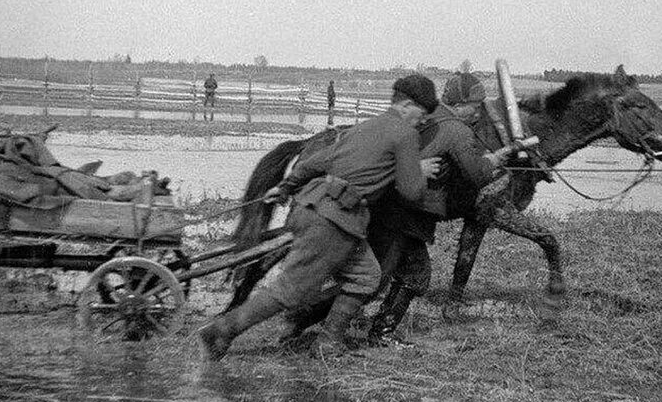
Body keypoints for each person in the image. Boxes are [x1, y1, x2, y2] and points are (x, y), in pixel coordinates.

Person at [199, 74, 442, 361]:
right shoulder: (405, 134)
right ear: (406, 105)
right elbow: (412, 192)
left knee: (367, 277)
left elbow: (318, 161)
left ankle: (328, 343)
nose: (424, 120)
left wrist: (285, 187)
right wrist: (417, 170)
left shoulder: (365, 127)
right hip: (333, 221)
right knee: (291, 291)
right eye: (422, 113)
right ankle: (222, 331)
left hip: (317, 209)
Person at [279, 96, 519, 349]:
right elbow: (476, 174)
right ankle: (345, 328)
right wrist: (497, 159)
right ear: (461, 104)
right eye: (475, 106)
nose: (478, 113)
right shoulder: (455, 129)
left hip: (389, 208)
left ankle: (326, 324)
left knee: (387, 277)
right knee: (397, 277)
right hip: (406, 215)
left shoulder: (427, 116)